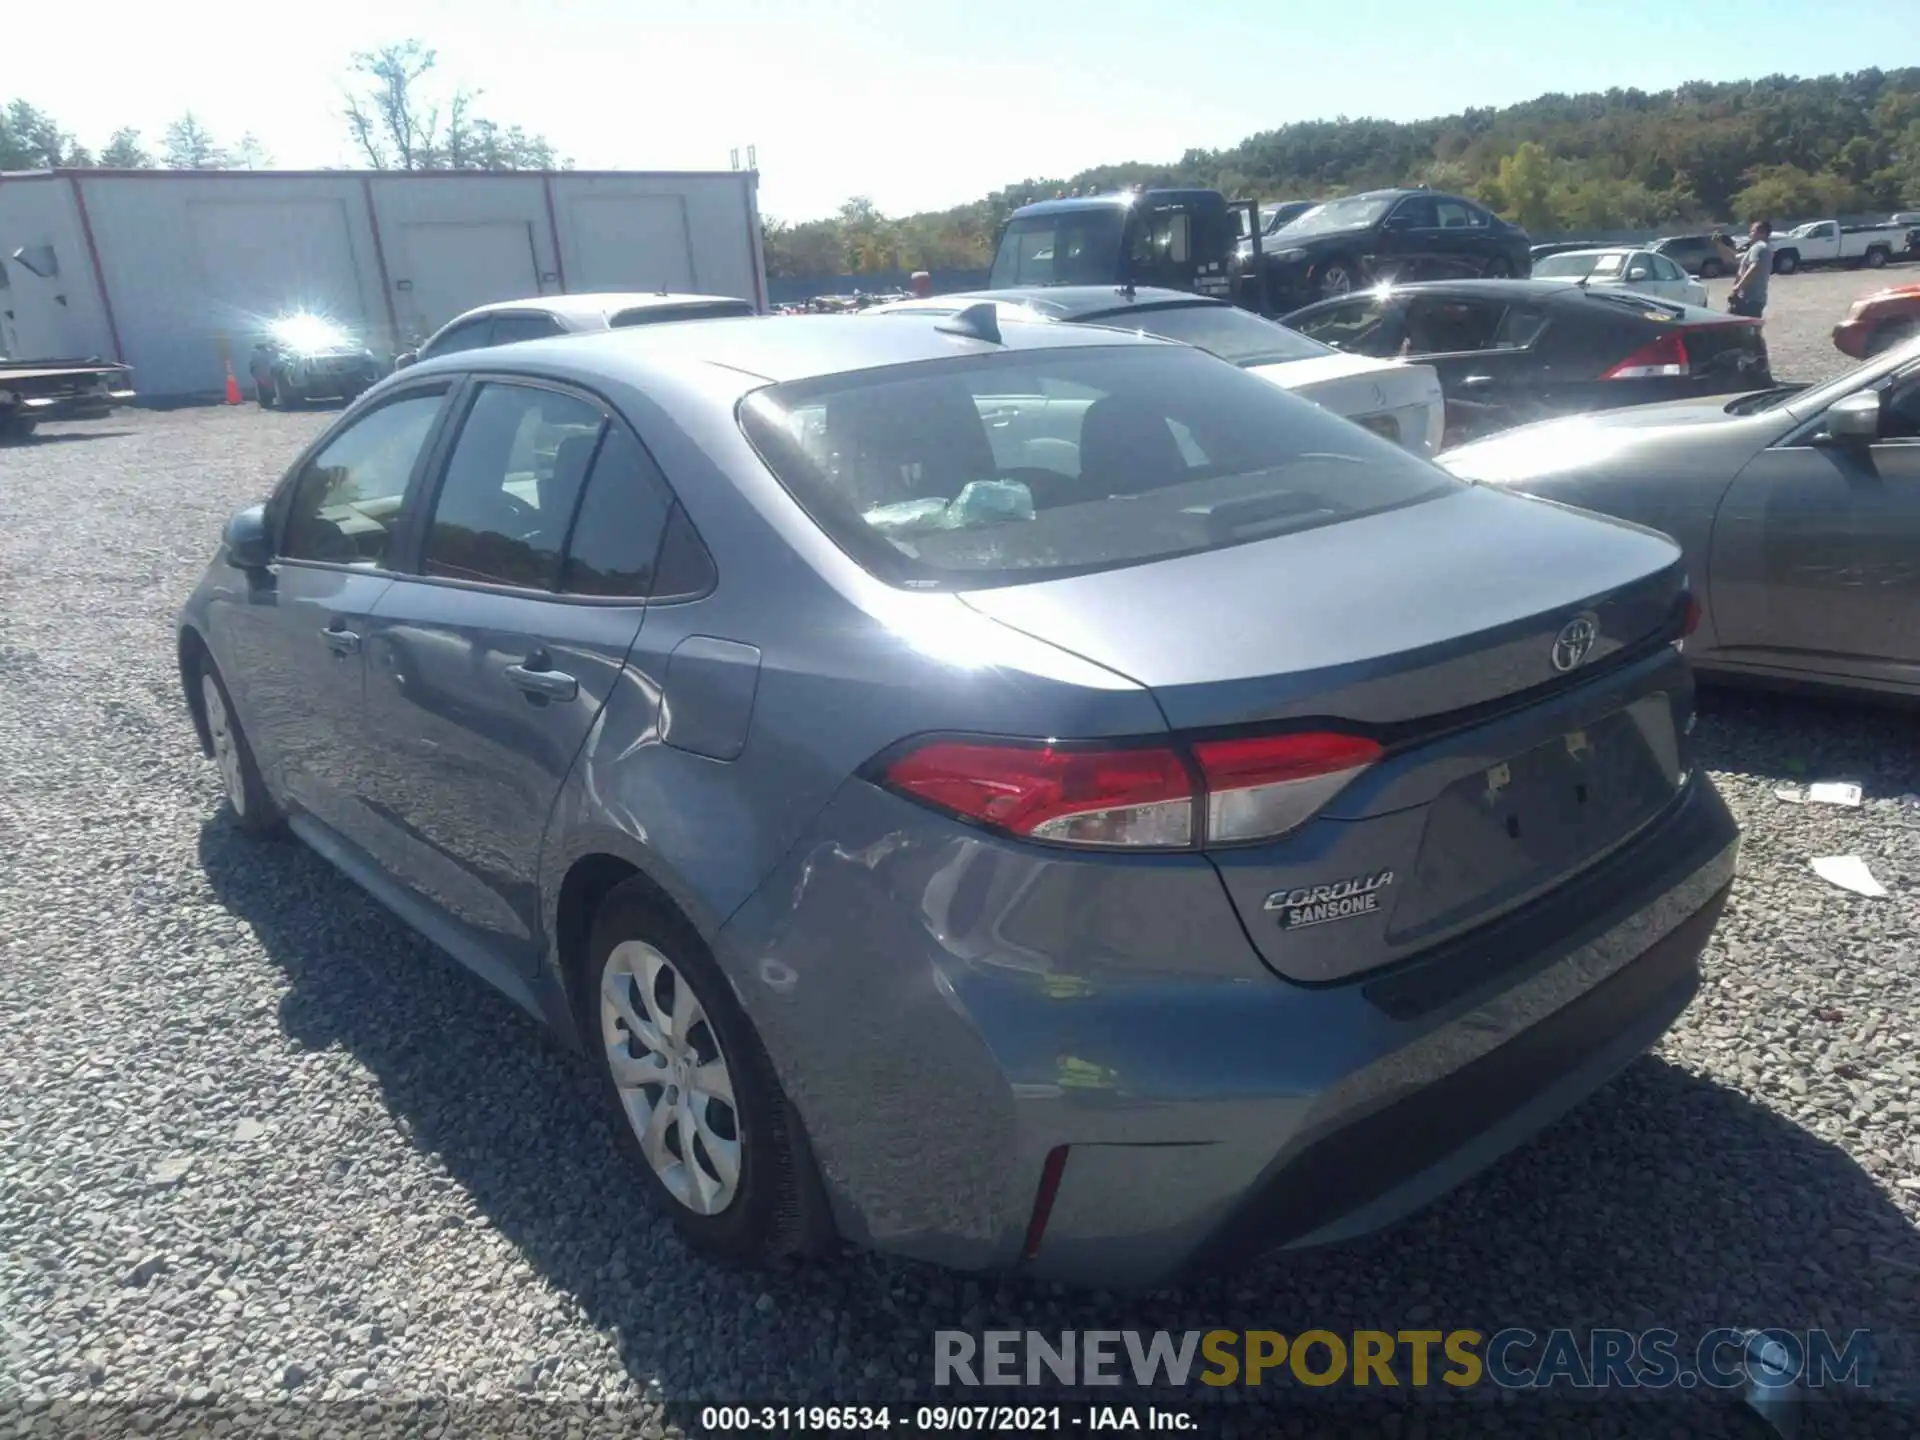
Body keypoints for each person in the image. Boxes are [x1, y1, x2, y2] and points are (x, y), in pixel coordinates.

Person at [1729, 219, 1772, 370]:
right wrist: (1719, 244)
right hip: (1752, 297)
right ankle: (1759, 363)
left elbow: (1755, 266)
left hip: (1750, 297)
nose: (1749, 234)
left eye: (1752, 231)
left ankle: (1755, 363)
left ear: (1762, 232)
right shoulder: (1756, 248)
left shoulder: (1759, 248)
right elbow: (1733, 258)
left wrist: (1738, 287)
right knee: (1750, 330)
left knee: (1748, 331)